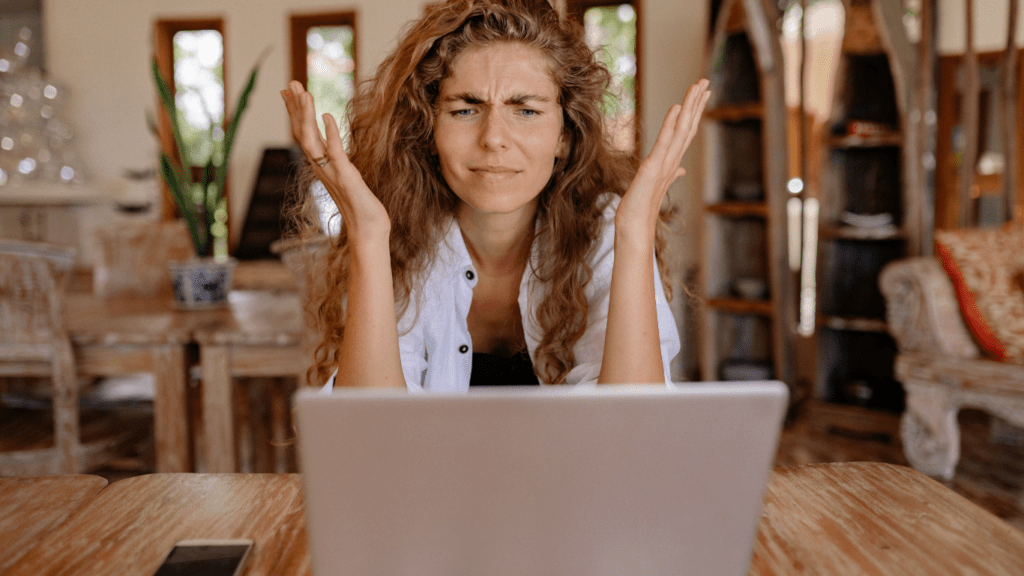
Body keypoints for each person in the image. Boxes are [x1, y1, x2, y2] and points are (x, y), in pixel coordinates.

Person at [281, 0, 709, 391]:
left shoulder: (603, 228)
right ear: (428, 130)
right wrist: (369, 235)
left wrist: (635, 232)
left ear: (565, 134)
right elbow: (370, 439)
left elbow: (632, 436)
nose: (494, 139)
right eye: (465, 109)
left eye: (526, 110)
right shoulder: (398, 232)